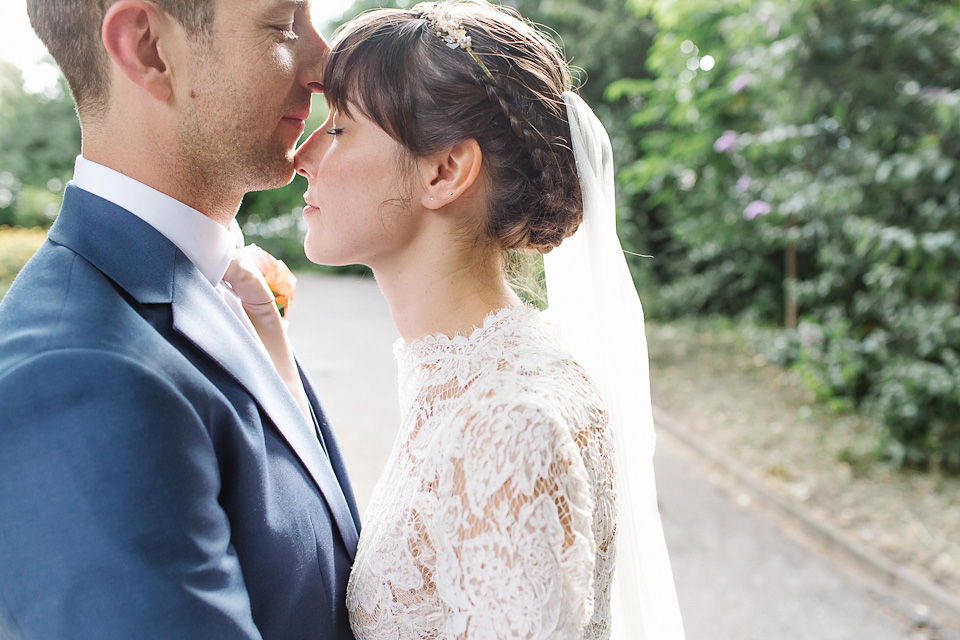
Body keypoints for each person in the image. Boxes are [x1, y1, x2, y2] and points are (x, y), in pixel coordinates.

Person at [238, 1, 686, 637]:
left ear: (445, 171)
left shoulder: (511, 423)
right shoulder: (467, 372)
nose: (304, 155)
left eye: (339, 128)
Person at [0, 1, 359, 638]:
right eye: (282, 24)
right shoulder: (78, 375)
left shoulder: (212, 282)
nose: (324, 64)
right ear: (148, 48)